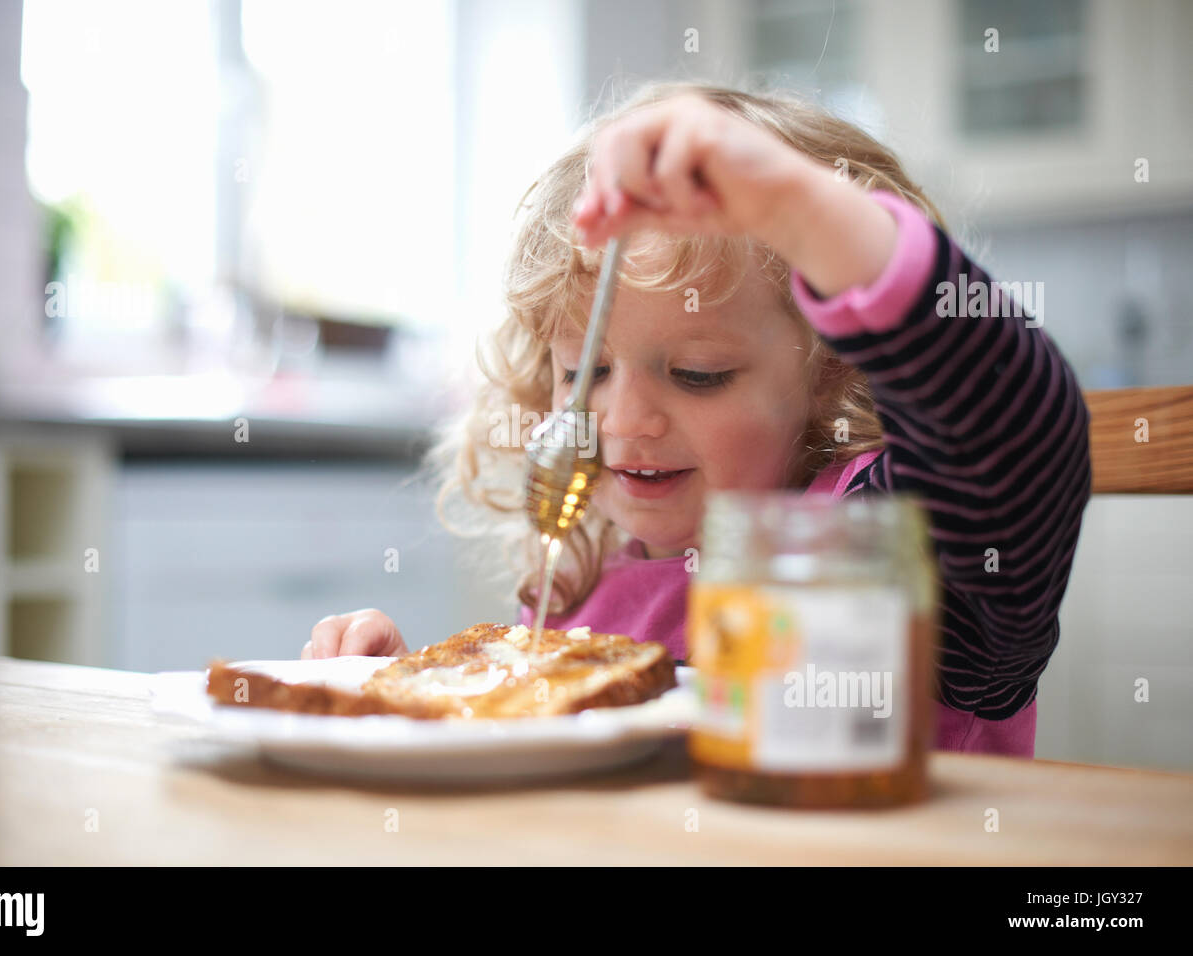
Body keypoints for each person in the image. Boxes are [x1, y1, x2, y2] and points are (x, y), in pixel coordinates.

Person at [303, 82, 1091, 758]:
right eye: (587, 372)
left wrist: (811, 216)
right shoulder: (581, 585)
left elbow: (1018, 440)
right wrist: (413, 702)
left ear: (832, 369)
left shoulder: (872, 544)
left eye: (697, 374)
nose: (626, 421)